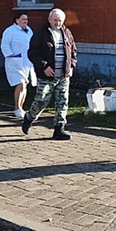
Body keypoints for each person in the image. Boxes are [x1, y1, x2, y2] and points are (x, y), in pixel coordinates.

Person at [22, 8, 77, 140]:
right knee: (41, 101)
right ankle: (29, 117)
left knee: (62, 102)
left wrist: (71, 66)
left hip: (63, 75)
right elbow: (33, 53)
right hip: (46, 75)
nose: (58, 23)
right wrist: (44, 66)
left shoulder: (67, 33)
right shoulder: (41, 34)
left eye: (60, 20)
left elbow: (73, 51)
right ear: (49, 19)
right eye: (55, 20)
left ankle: (59, 129)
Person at [0, 12, 36, 119]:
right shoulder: (10, 31)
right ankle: (17, 107)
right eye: (23, 19)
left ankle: (21, 107)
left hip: (26, 62)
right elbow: (5, 45)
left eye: (26, 19)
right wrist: (11, 55)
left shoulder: (29, 30)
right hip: (14, 62)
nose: (26, 21)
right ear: (17, 20)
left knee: (25, 84)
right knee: (20, 83)